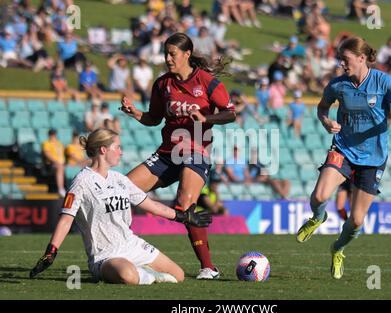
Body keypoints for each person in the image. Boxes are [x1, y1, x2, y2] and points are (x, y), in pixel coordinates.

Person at [295, 36, 391, 280]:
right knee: (319, 196)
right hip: (343, 149)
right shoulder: (338, 85)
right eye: (340, 59)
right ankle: (318, 217)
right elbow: (321, 107)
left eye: (346, 59)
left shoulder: (382, 81)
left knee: (356, 221)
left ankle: (337, 248)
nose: (341, 63)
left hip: (373, 157)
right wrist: (326, 121)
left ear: (361, 58)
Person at [120, 32, 236, 280]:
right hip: (166, 154)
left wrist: (207, 118)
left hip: (196, 151)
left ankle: (208, 267)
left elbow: (230, 113)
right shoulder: (162, 84)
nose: (167, 58)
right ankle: (121, 251)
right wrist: (135, 113)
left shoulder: (207, 82)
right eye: (165, 53)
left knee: (184, 204)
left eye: (172, 54)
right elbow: (154, 118)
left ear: (187, 54)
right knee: (120, 190)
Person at [29, 128, 212, 285]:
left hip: (132, 245)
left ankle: (143, 272)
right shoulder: (81, 182)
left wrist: (183, 217)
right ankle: (148, 275)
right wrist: (51, 252)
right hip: (105, 255)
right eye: (117, 147)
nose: (121, 152)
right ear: (103, 150)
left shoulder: (120, 179)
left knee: (178, 275)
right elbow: (66, 219)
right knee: (127, 275)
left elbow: (152, 205)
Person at [42, 129, 66, 197]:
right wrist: (56, 162)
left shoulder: (59, 143)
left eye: (54, 134)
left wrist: (63, 163)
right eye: (51, 135)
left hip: (61, 163)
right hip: (50, 164)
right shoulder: (46, 143)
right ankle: (60, 189)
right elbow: (47, 154)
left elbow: (62, 155)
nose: (53, 136)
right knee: (60, 167)